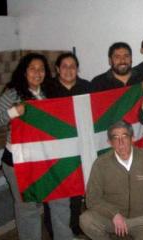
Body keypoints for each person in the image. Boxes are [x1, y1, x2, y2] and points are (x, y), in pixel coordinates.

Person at [0, 53, 73, 240]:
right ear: (24, 72)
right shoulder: (12, 93)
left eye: (41, 69)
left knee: (60, 200)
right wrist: (13, 111)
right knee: (28, 207)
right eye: (33, 69)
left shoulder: (50, 91)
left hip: (49, 158)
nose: (37, 73)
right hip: (20, 161)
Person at [79, 121, 143, 240]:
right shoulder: (101, 164)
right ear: (109, 142)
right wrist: (114, 214)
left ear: (133, 139)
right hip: (113, 220)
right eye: (116, 138)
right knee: (86, 220)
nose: (121, 142)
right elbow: (92, 198)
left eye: (125, 136)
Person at [44, 52, 91, 238]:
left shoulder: (87, 87)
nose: (69, 70)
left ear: (78, 69)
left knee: (76, 188)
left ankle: (74, 225)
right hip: (55, 147)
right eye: (64, 66)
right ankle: (53, 228)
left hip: (80, 145)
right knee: (55, 190)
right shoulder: (47, 89)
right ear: (57, 69)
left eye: (73, 66)